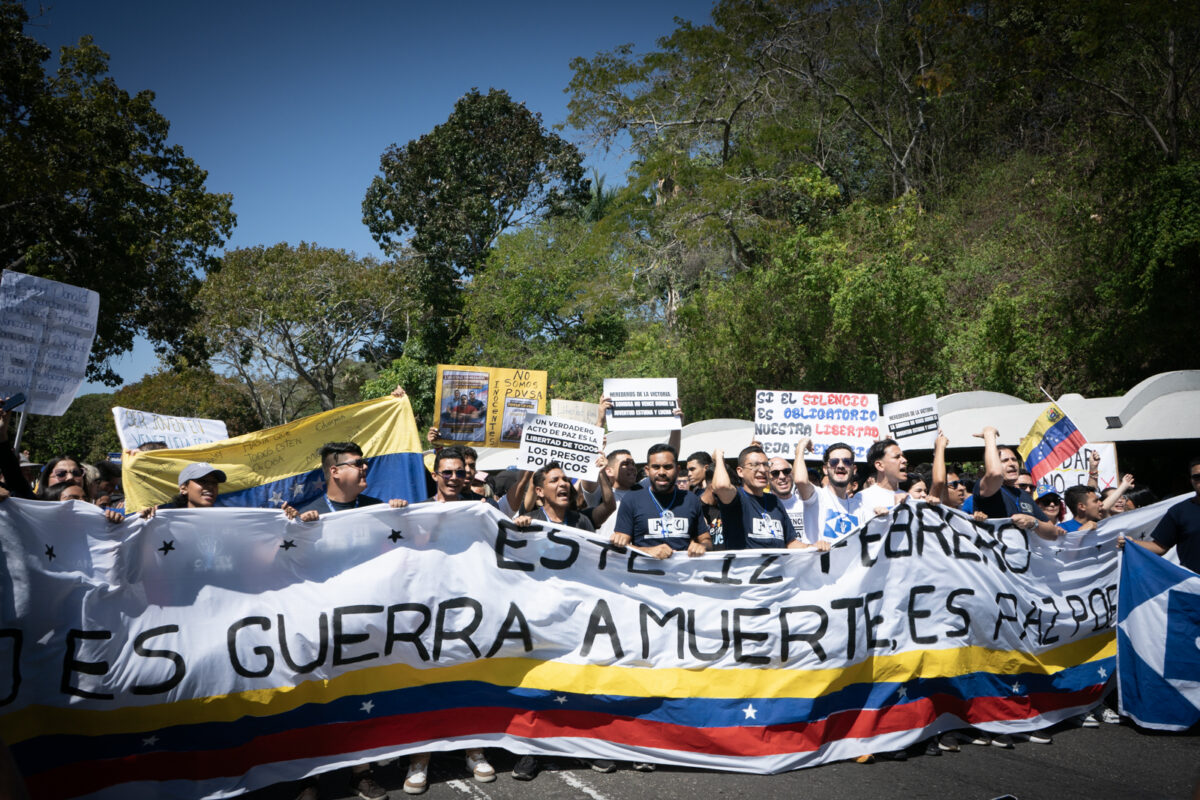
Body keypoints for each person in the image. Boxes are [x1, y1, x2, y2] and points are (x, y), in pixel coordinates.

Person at [403, 445, 496, 794]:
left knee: (471, 679)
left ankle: (474, 751)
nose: (455, 478)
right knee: (427, 682)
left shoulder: (483, 511)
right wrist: (400, 515)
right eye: (448, 472)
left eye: (461, 472)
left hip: (473, 609)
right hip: (429, 611)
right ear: (435, 476)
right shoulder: (417, 511)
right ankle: (420, 758)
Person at [610, 443, 712, 560]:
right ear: (647, 470)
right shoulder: (631, 499)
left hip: (683, 575)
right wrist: (648, 551)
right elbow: (620, 546)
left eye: (668, 467)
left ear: (678, 470)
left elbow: (706, 540)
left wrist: (701, 546)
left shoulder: (690, 499)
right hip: (644, 575)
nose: (662, 472)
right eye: (656, 467)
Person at [972, 427, 1063, 542]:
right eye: (1004, 461)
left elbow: (1053, 533)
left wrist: (1033, 522)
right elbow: (995, 474)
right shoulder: (987, 489)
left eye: (1014, 460)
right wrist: (989, 435)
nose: (1012, 464)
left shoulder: (1023, 494)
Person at [709, 446, 806, 550]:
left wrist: (814, 547)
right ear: (740, 471)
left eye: (765, 464)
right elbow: (721, 486)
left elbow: (791, 543)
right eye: (755, 465)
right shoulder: (736, 497)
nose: (762, 470)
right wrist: (719, 458)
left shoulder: (774, 501)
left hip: (777, 566)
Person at [282, 442, 409, 521]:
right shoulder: (308, 516)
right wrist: (298, 529)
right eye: (358, 463)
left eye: (364, 463)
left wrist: (400, 516)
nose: (365, 467)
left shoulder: (378, 507)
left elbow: (408, 543)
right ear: (335, 471)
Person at [1122, 457, 1200, 573]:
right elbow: (1159, 547)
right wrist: (1131, 543)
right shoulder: (1179, 511)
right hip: (1194, 585)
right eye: (1197, 477)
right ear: (1191, 481)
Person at [858, 439, 908, 513]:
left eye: (903, 456)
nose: (904, 460)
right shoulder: (862, 498)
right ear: (880, 465)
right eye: (897, 457)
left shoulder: (908, 497)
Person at [767, 455, 806, 542]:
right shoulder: (761, 506)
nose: (782, 476)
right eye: (775, 473)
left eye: (786, 471)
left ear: (792, 474)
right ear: (767, 477)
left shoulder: (806, 502)